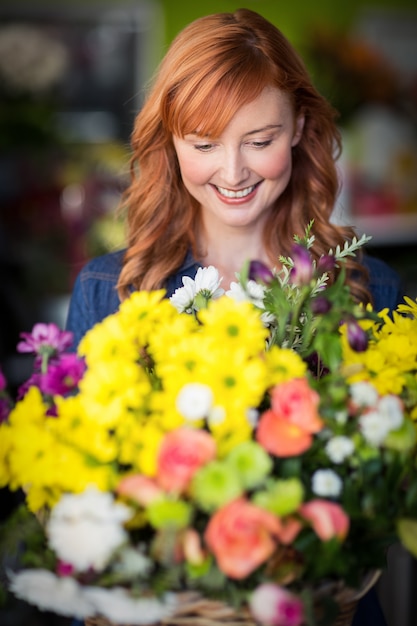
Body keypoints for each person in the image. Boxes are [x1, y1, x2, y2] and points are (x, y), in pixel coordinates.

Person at [66, 9, 401, 625]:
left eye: (259, 140)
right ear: (169, 140)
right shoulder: (109, 292)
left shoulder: (366, 291)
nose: (233, 171)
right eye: (203, 144)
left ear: (300, 126)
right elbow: (80, 511)